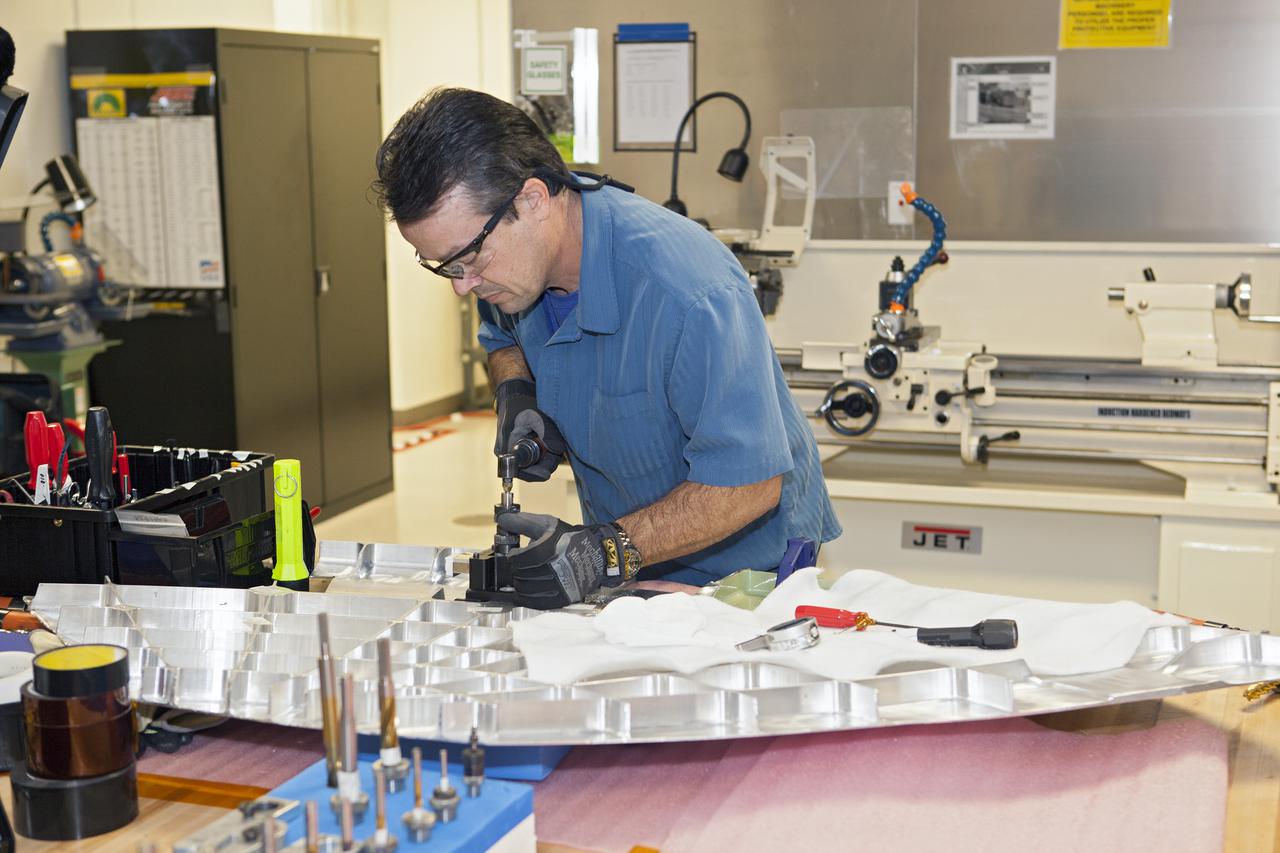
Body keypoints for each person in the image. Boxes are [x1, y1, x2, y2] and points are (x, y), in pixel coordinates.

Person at [373, 87, 840, 609]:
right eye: (444, 267)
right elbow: (501, 338)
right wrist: (517, 392)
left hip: (745, 575)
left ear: (532, 200)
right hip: (627, 559)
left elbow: (749, 484)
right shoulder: (505, 275)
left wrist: (601, 553)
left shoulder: (687, 291)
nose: (462, 285)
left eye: (467, 257)